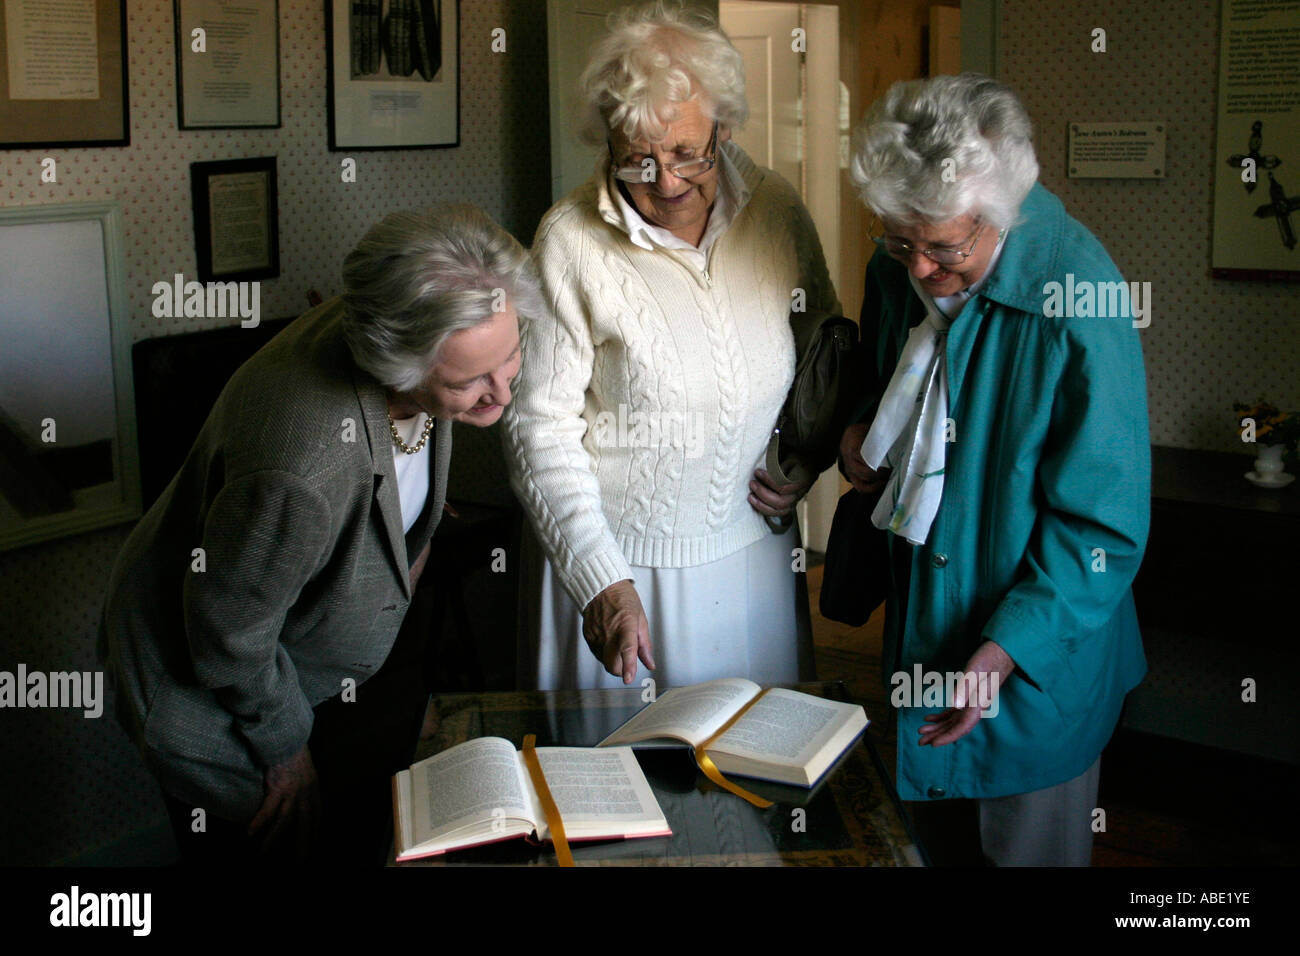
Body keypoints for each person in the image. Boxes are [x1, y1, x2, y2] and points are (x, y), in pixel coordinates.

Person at [99, 205, 540, 863]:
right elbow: (227, 631)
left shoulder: (427, 329)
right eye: (472, 379)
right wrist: (285, 755)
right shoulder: (304, 466)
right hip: (210, 684)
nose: (503, 395)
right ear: (396, 363)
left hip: (305, 653)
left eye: (511, 355)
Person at [836, 74, 1149, 866]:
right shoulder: (896, 268)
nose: (922, 269)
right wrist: (856, 438)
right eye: (901, 240)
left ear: (1002, 210)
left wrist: (1007, 648)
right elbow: (883, 399)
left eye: (946, 248)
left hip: (1037, 658)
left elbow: (1102, 526)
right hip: (923, 632)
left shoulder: (1081, 296)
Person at [503, 1, 840, 691]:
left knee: (760, 771)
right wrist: (601, 581)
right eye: (638, 161)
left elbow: (826, 352)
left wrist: (806, 457)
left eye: (689, 152)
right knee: (625, 786)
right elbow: (536, 429)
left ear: (724, 123)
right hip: (624, 575)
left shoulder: (775, 210)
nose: (667, 182)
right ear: (607, 145)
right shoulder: (568, 242)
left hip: (756, 560)